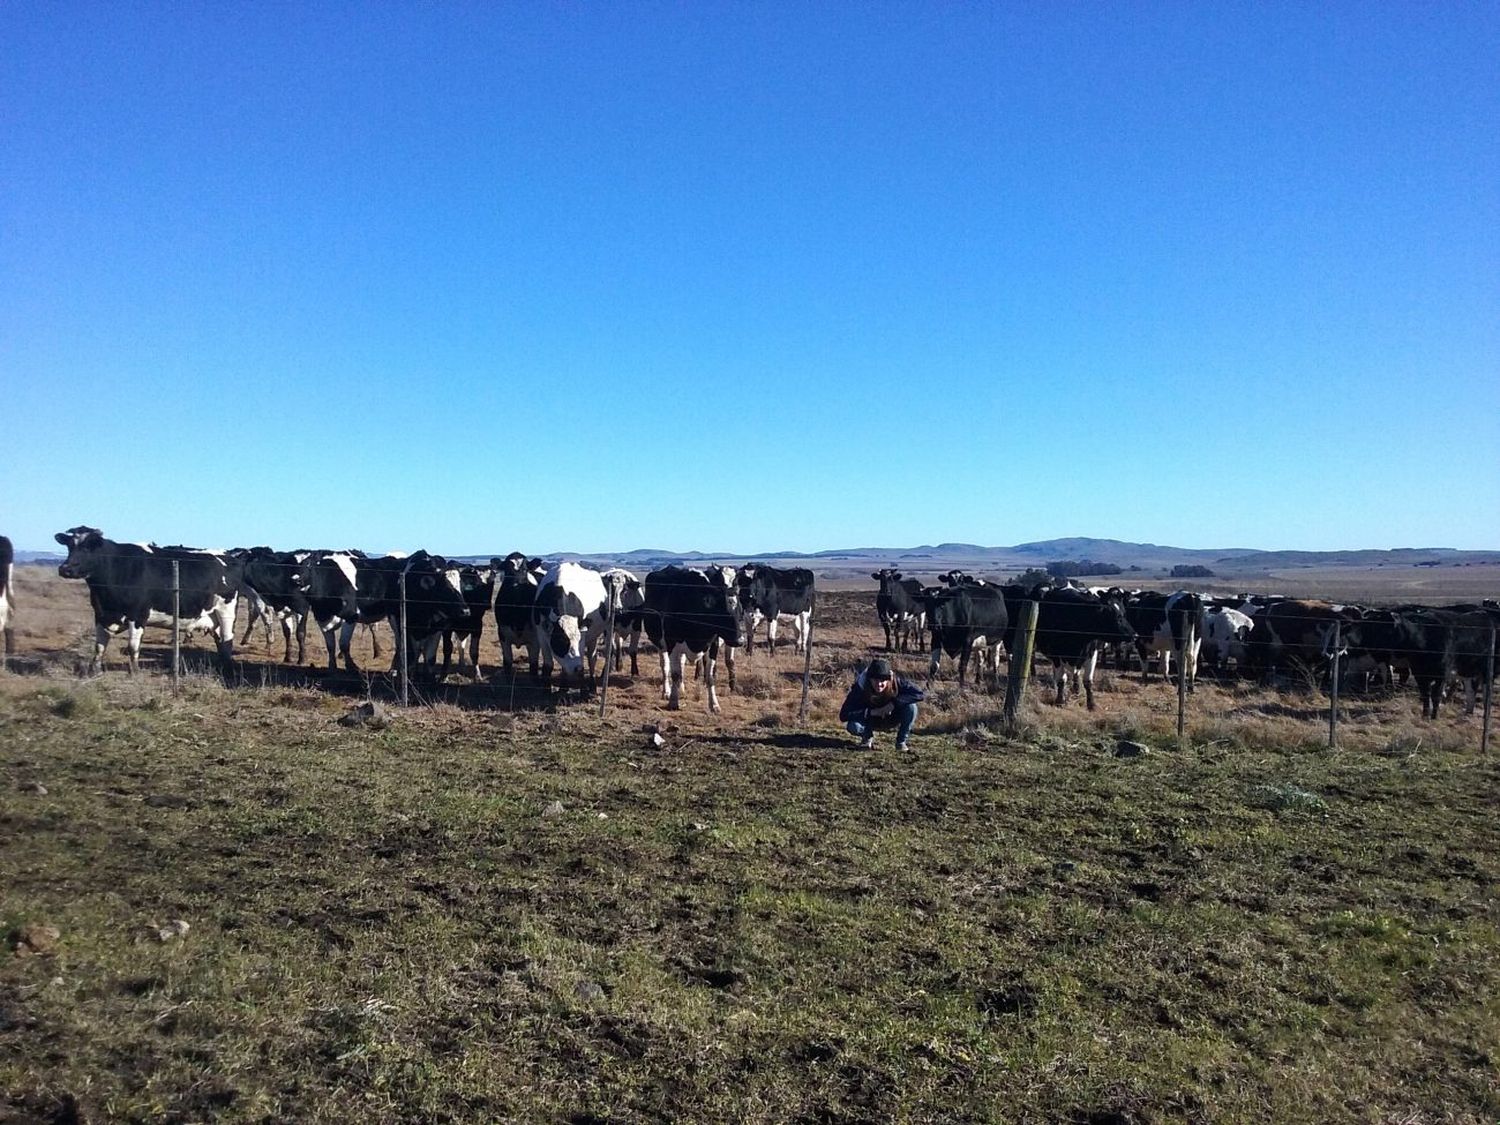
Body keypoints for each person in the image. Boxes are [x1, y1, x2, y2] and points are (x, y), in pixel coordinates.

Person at [839, 657, 924, 751]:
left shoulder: (896, 682)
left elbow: (919, 694)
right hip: (868, 722)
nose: (879, 684)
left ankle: (901, 742)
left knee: (911, 708)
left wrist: (893, 704)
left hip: (891, 718)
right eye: (875, 680)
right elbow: (844, 715)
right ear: (869, 679)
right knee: (853, 726)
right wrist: (871, 712)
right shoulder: (860, 688)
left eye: (883, 680)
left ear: (889, 679)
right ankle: (867, 737)